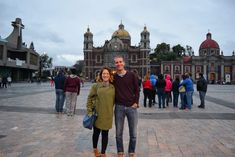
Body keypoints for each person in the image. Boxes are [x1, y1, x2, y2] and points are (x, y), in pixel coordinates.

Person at [113, 56, 139, 157]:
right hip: (119, 107)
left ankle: (131, 152)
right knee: (118, 132)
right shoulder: (113, 77)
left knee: (133, 132)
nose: (118, 64)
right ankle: (120, 151)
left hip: (131, 107)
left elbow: (137, 90)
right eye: (116, 62)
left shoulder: (131, 75)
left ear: (123, 63)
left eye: (120, 62)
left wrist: (136, 102)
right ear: (115, 64)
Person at [86, 67, 115, 157]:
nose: (105, 75)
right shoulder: (96, 85)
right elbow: (90, 98)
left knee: (105, 134)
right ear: (101, 75)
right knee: (96, 133)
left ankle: (103, 153)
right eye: (103, 74)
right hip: (97, 114)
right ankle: (95, 149)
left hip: (108, 114)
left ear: (110, 75)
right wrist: (90, 111)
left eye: (107, 74)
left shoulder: (113, 87)